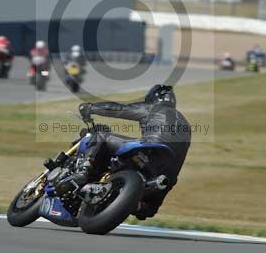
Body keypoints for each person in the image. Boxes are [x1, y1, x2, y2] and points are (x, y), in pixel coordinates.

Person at [59, 84, 191, 220]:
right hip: (168, 172)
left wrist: (90, 108)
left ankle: (83, 171)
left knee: (100, 136)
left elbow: (118, 109)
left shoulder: (154, 108)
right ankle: (135, 204)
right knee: (149, 209)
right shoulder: (186, 125)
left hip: (150, 150)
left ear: (152, 99)